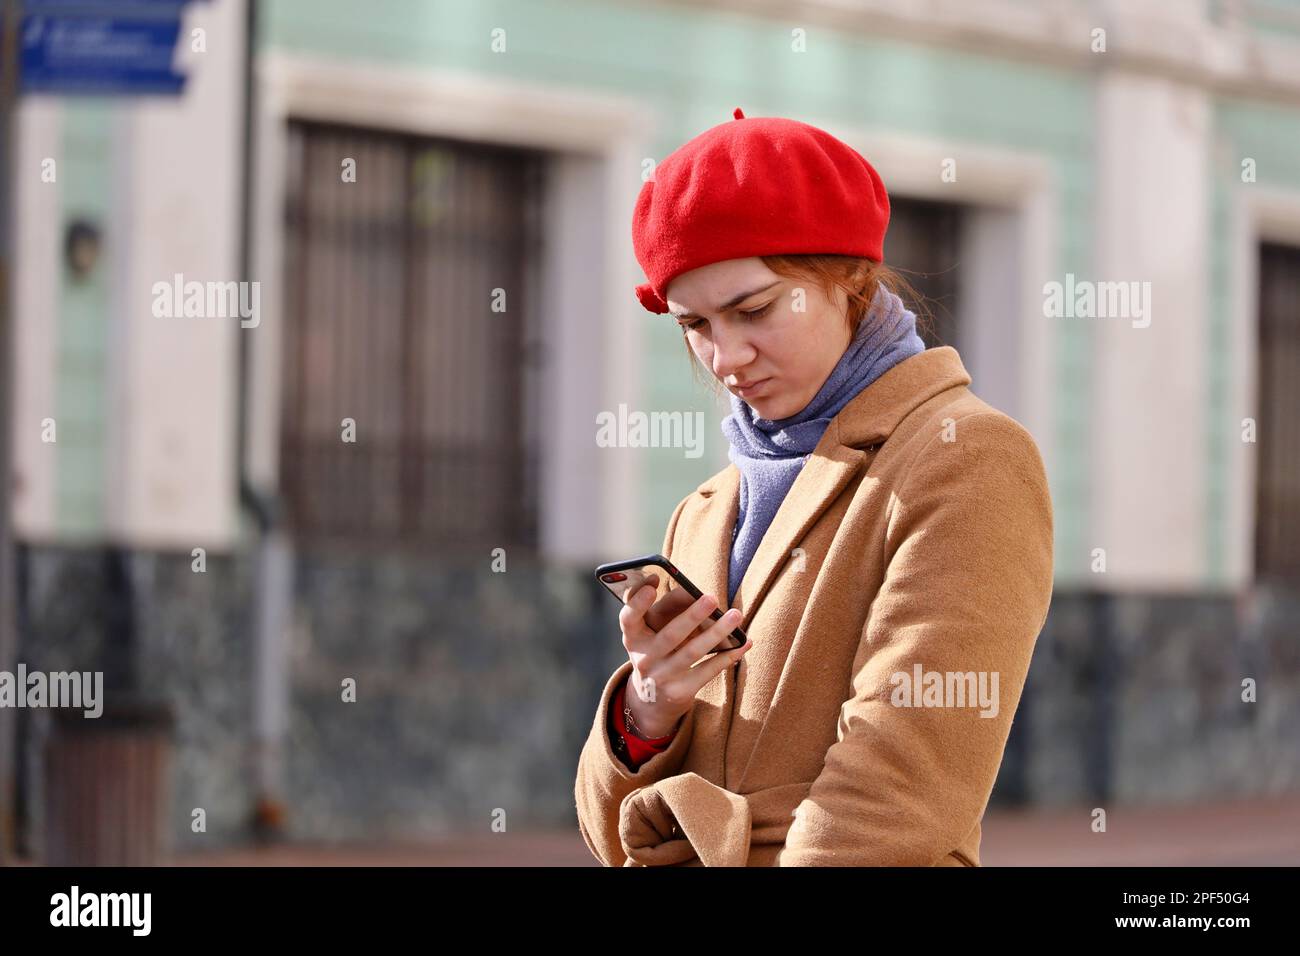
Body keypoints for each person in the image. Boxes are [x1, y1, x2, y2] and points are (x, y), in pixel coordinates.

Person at [574, 108, 1054, 867]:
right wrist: (649, 708)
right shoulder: (701, 512)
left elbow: (900, 786)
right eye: (694, 324)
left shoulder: (967, 457)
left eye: (754, 309)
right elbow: (617, 833)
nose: (726, 357)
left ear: (850, 277)